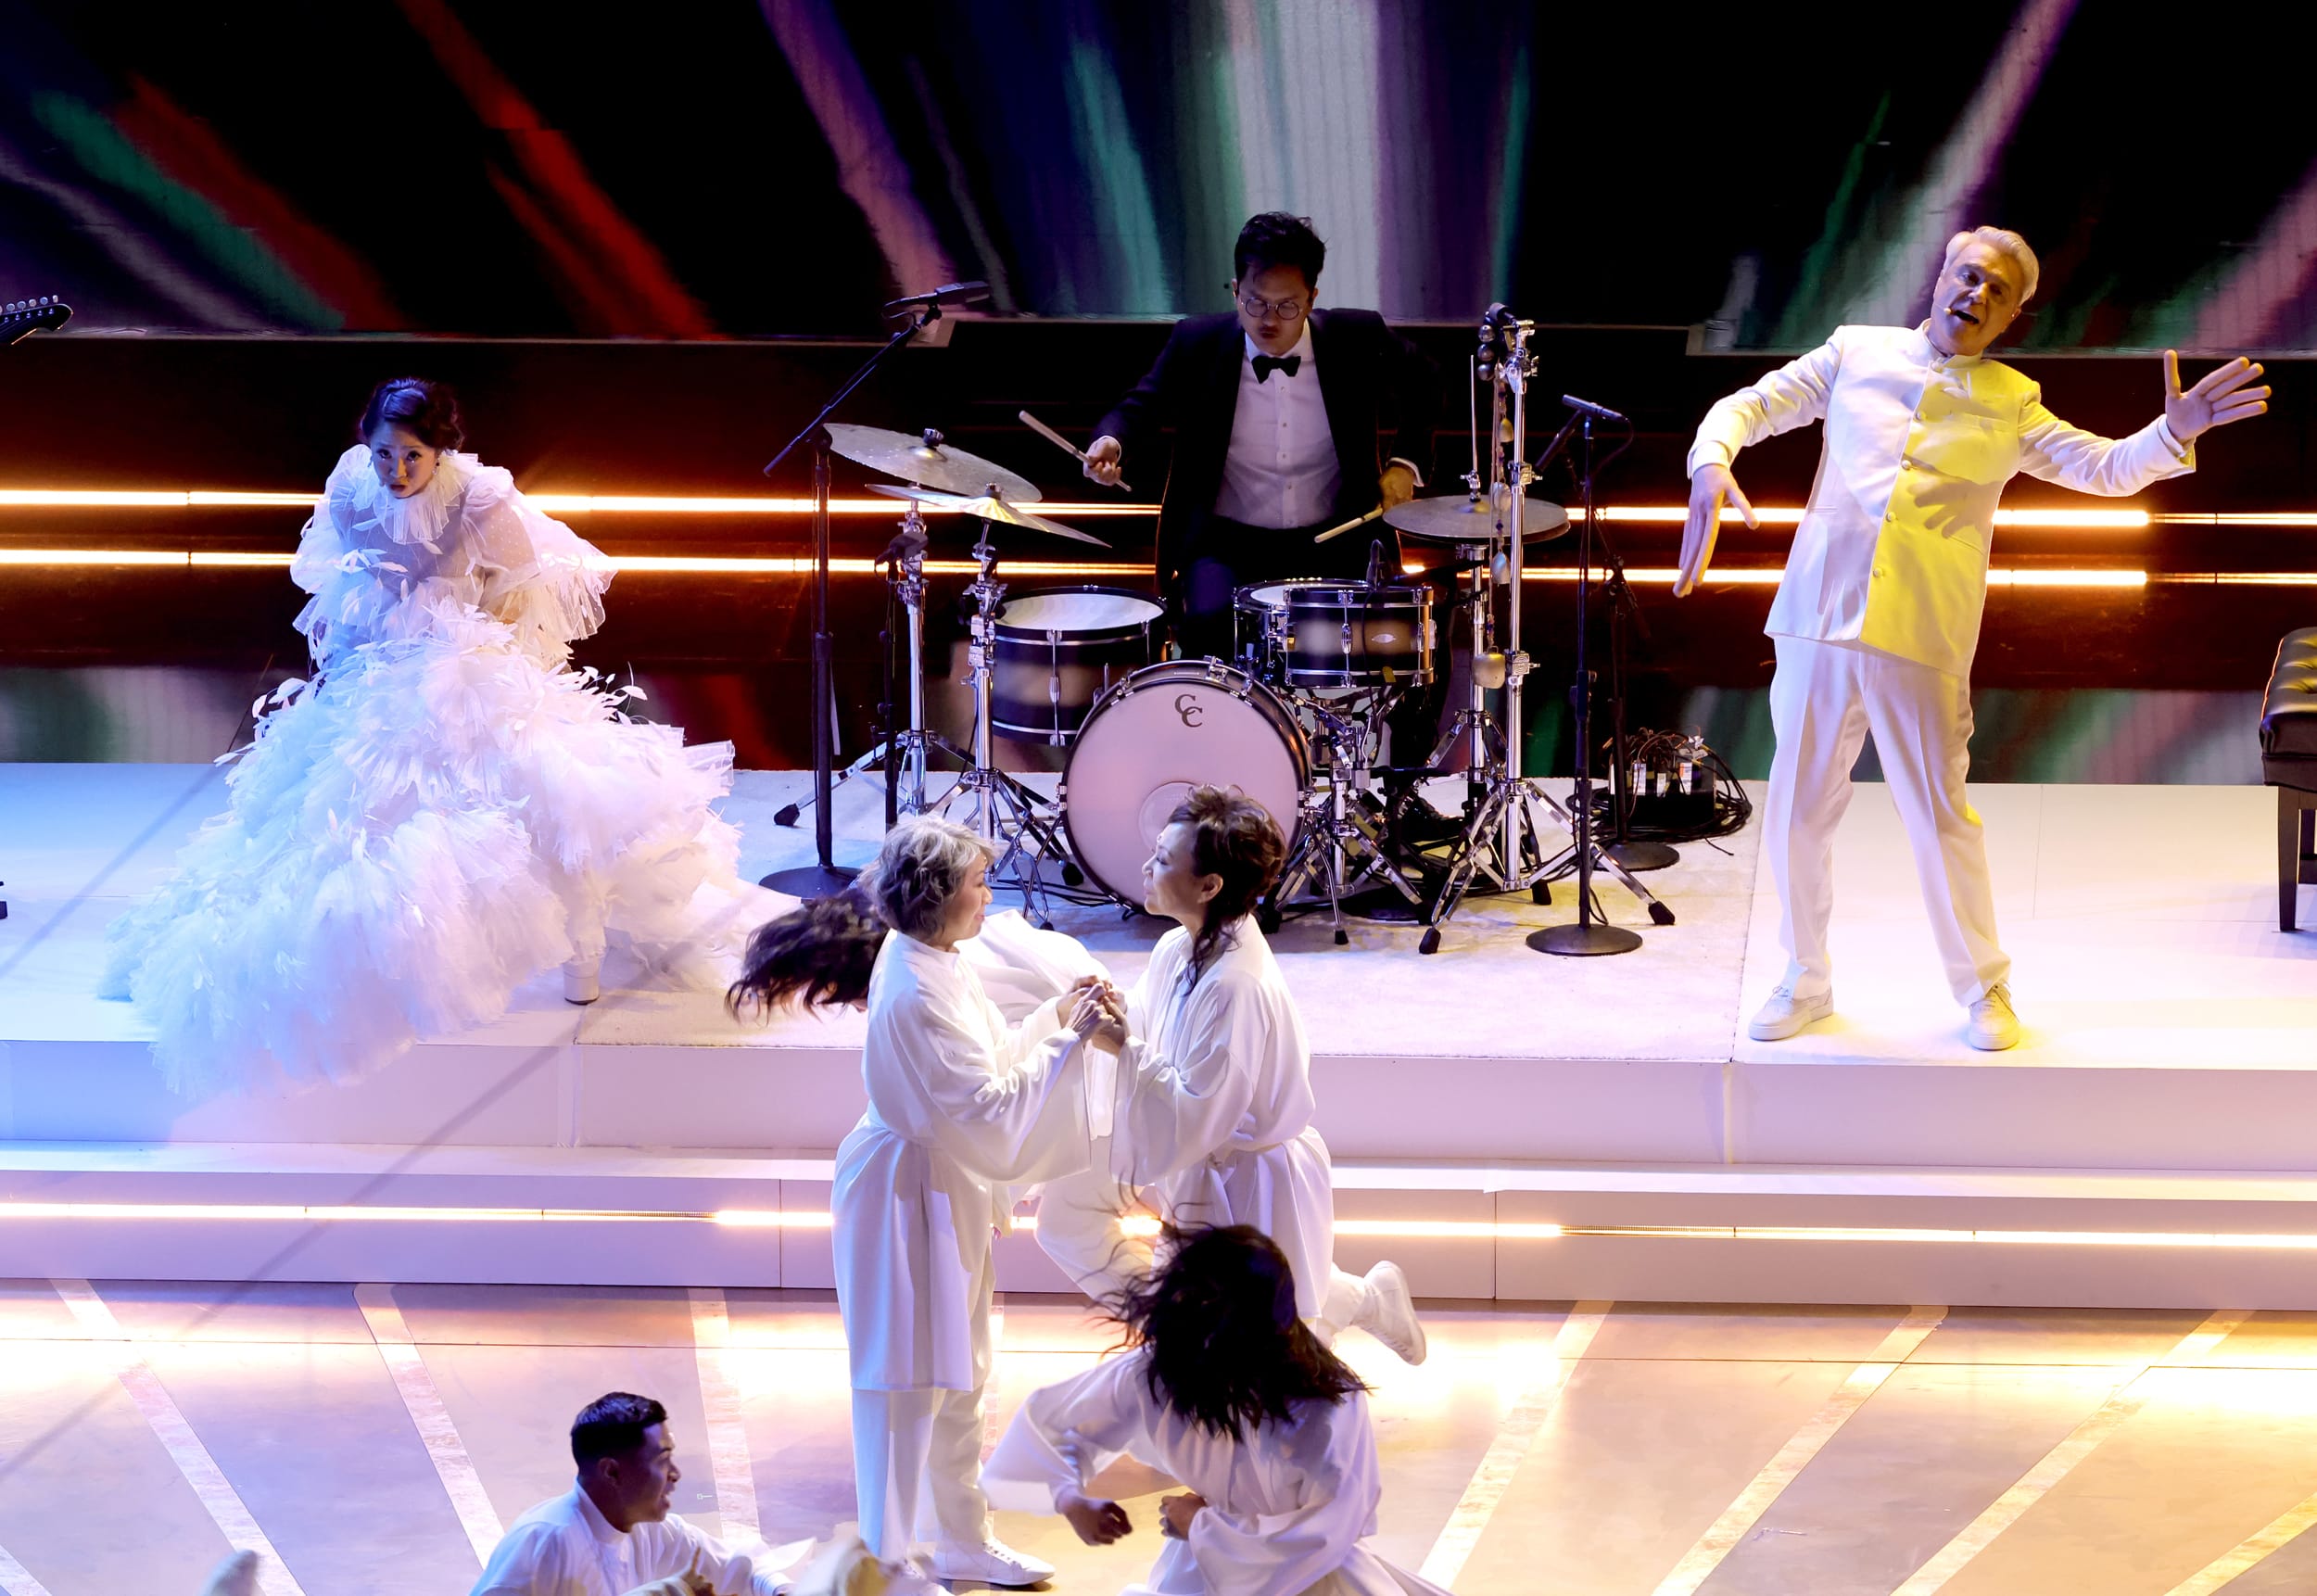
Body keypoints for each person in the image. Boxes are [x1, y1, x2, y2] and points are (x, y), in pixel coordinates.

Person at [1676, 227, 2271, 1051]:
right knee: (1798, 812)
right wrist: (1712, 461)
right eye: (1969, 277)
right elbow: (1750, 404)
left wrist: (2175, 433)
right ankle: (1803, 976)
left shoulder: (2011, 399)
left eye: (1998, 292)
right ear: (1941, 278)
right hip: (1817, 617)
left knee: (1938, 816)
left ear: (2013, 318)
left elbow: (2103, 469)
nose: (1976, 296)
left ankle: (1984, 987)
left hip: (1923, 631)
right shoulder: (1855, 352)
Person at [104, 378, 755, 1092]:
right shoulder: (354, 487)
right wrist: (356, 672)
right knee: (335, 812)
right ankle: (371, 957)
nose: (398, 472)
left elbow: (523, 600)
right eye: (385, 453)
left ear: (443, 450)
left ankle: (569, 957)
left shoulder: (483, 502)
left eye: (413, 455)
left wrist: (484, 666)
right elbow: (344, 590)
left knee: (529, 794)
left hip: (467, 669)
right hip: (380, 669)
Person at [1084, 212, 1452, 842]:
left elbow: (1428, 382)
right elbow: (1141, 402)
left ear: (1312, 297)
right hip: (1228, 538)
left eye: (1286, 304)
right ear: (1235, 291)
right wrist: (1109, 440)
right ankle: (1221, 804)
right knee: (1202, 627)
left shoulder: (1357, 337)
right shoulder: (1198, 342)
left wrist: (1405, 464)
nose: (1269, 318)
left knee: (1414, 641)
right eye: (1255, 300)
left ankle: (1399, 795)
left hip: (1334, 534)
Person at [1035, 786, 1426, 1365]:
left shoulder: (1236, 986)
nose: (1145, 867)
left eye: (1164, 860)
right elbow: (1155, 1028)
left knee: (1274, 1361)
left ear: (1209, 886)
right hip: (1199, 1156)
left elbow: (1199, 1109)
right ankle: (1182, 1318)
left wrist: (1123, 1044)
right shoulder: (1178, 945)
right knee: (1067, 1214)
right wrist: (1117, 1013)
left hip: (1244, 1171)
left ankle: (1365, 1301)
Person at [831, 816, 1110, 1584]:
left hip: (940, 1182)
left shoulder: (935, 956)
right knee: (905, 1380)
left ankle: (958, 1536)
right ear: (935, 897)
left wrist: (1056, 1018)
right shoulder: (917, 989)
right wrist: (1068, 1039)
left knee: (961, 1372)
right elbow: (984, 1105)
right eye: (978, 884)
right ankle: (885, 1558)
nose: (990, 897)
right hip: (907, 1197)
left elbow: (986, 1063)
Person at [984, 1224, 1450, 1596]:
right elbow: (1050, 1425)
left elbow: (1327, 1532)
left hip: (1308, 1579)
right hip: (1206, 1564)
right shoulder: (1163, 1370)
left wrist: (1203, 1526)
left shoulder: (1328, 1405)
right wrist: (1071, 1502)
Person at [471, 1392, 790, 1596]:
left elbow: (743, 1569)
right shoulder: (543, 1544)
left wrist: (783, 1591)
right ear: (611, 1472)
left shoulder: (654, 1532)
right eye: (662, 1461)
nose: (675, 1475)